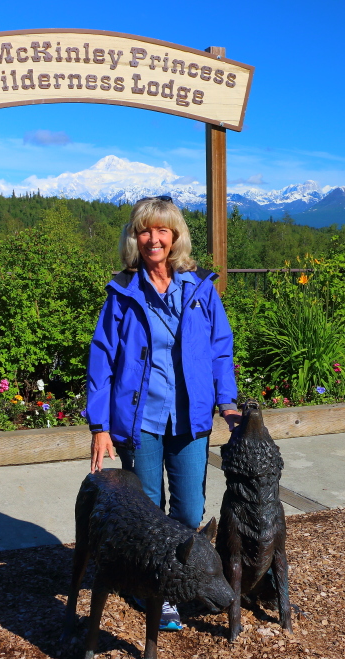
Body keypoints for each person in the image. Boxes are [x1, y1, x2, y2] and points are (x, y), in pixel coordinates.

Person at [86, 195, 241, 631]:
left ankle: (175, 572)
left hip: (190, 419)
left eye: (161, 230)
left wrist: (226, 403)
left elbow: (219, 349)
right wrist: (99, 425)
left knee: (190, 511)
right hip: (140, 421)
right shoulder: (122, 294)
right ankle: (156, 590)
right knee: (149, 511)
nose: (153, 238)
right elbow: (102, 359)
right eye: (144, 230)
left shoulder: (199, 289)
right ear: (135, 238)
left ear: (175, 237)